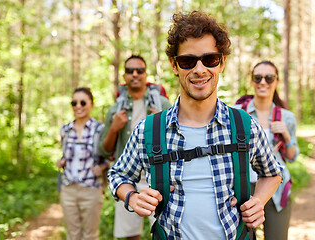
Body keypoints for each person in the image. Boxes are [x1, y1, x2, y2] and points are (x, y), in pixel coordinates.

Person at [108, 11, 283, 239]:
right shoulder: (149, 130)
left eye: (209, 59)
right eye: (188, 61)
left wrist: (257, 202)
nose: (199, 70)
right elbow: (118, 175)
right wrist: (132, 197)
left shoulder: (244, 126)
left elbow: (272, 173)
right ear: (174, 65)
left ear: (221, 63)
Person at [99, 55, 171, 240]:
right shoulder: (116, 109)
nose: (135, 74)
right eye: (130, 71)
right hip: (127, 180)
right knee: (131, 235)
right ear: (124, 76)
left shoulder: (162, 104)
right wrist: (114, 128)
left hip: (158, 177)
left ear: (146, 74)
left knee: (165, 232)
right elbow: (104, 150)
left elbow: (177, 145)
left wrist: (161, 122)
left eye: (139, 70)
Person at [233, 60, 299, 240]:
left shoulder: (287, 117)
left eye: (269, 78)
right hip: (242, 189)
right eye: (258, 77)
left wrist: (287, 136)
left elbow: (292, 157)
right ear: (252, 81)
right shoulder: (237, 113)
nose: (263, 82)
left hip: (277, 188)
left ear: (276, 82)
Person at [57, 87, 109, 240]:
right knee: (72, 235)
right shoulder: (65, 129)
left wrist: (102, 167)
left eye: (82, 102)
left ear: (91, 104)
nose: (78, 106)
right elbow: (65, 155)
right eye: (74, 103)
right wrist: (61, 162)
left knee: (90, 235)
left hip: (91, 189)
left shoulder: (101, 129)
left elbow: (110, 156)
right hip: (68, 189)